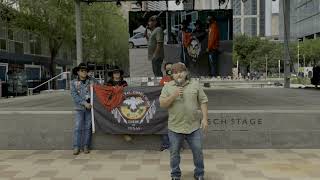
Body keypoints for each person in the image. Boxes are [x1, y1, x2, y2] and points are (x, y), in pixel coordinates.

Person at [159, 62, 209, 180]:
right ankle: (175, 175)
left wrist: (205, 118)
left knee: (198, 151)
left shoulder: (195, 84)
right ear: (172, 75)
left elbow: (203, 101)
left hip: (193, 127)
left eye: (181, 71)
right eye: (175, 72)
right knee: (174, 154)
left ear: (186, 72)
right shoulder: (168, 87)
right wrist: (173, 95)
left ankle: (199, 173)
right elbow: (162, 104)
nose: (179, 74)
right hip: (175, 128)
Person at [70, 63, 98, 155]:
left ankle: (86, 145)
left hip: (90, 108)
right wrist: (84, 103)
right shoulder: (73, 82)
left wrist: (92, 78)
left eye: (86, 71)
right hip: (79, 108)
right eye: (82, 71)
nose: (84, 72)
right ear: (78, 72)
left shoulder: (91, 81)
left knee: (88, 127)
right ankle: (76, 146)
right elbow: (75, 96)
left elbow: (99, 87)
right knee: (78, 127)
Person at [106, 66, 131, 141]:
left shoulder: (124, 83)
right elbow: (106, 93)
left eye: (118, 72)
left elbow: (127, 92)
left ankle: (125, 133)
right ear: (112, 74)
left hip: (122, 103)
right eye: (115, 73)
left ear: (120, 74)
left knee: (124, 118)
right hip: (112, 103)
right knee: (115, 118)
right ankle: (119, 132)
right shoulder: (108, 83)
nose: (117, 74)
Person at [159, 62, 173, 151]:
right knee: (164, 126)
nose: (169, 70)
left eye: (171, 68)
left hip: (176, 106)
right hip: (165, 106)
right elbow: (158, 90)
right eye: (167, 69)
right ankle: (165, 145)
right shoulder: (163, 79)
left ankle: (176, 146)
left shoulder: (178, 79)